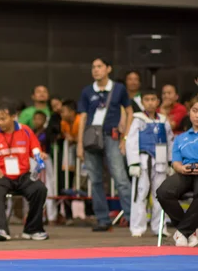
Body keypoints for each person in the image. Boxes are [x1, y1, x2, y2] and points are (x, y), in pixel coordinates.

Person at [0, 100, 49, 241]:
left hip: (23, 175)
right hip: (0, 175)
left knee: (39, 189)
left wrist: (40, 156)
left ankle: (32, 229)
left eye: (3, 118)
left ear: (14, 116)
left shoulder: (25, 131)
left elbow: (35, 150)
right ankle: (1, 230)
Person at [77, 58, 132, 231]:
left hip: (112, 136)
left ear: (108, 69)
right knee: (95, 180)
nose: (96, 70)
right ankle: (102, 219)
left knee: (120, 177)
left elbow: (129, 112)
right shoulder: (87, 91)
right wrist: (79, 144)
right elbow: (83, 117)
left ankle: (132, 217)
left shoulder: (118, 89)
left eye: (99, 67)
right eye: (93, 67)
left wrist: (125, 138)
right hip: (91, 137)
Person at [125, 88, 174, 237]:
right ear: (142, 102)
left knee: (160, 194)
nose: (150, 103)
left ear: (158, 102)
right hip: (143, 161)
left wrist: (171, 161)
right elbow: (131, 141)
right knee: (140, 193)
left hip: (160, 161)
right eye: (147, 100)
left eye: (153, 99)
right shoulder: (138, 118)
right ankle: (137, 227)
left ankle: (160, 227)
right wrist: (133, 163)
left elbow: (170, 141)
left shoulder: (163, 120)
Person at [156, 96, 198, 247]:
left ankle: (182, 232)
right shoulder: (181, 138)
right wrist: (181, 168)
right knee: (163, 192)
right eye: (195, 111)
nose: (197, 115)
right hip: (185, 172)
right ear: (189, 113)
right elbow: (175, 161)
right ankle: (190, 230)